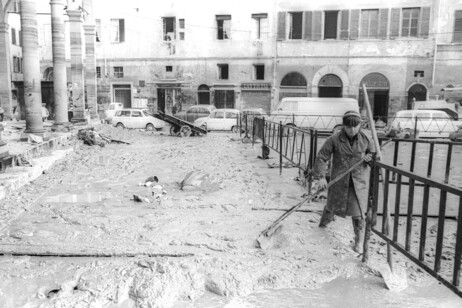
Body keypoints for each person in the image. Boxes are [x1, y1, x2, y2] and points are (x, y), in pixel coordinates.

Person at [313, 110, 375, 253]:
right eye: (348, 127)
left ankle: (358, 242)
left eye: (355, 126)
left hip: (359, 183)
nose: (352, 130)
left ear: (360, 125)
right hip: (339, 181)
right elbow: (322, 157)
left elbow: (375, 155)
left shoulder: (367, 139)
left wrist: (370, 158)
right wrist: (321, 177)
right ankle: (322, 227)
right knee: (331, 207)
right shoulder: (334, 139)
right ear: (343, 126)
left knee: (358, 214)